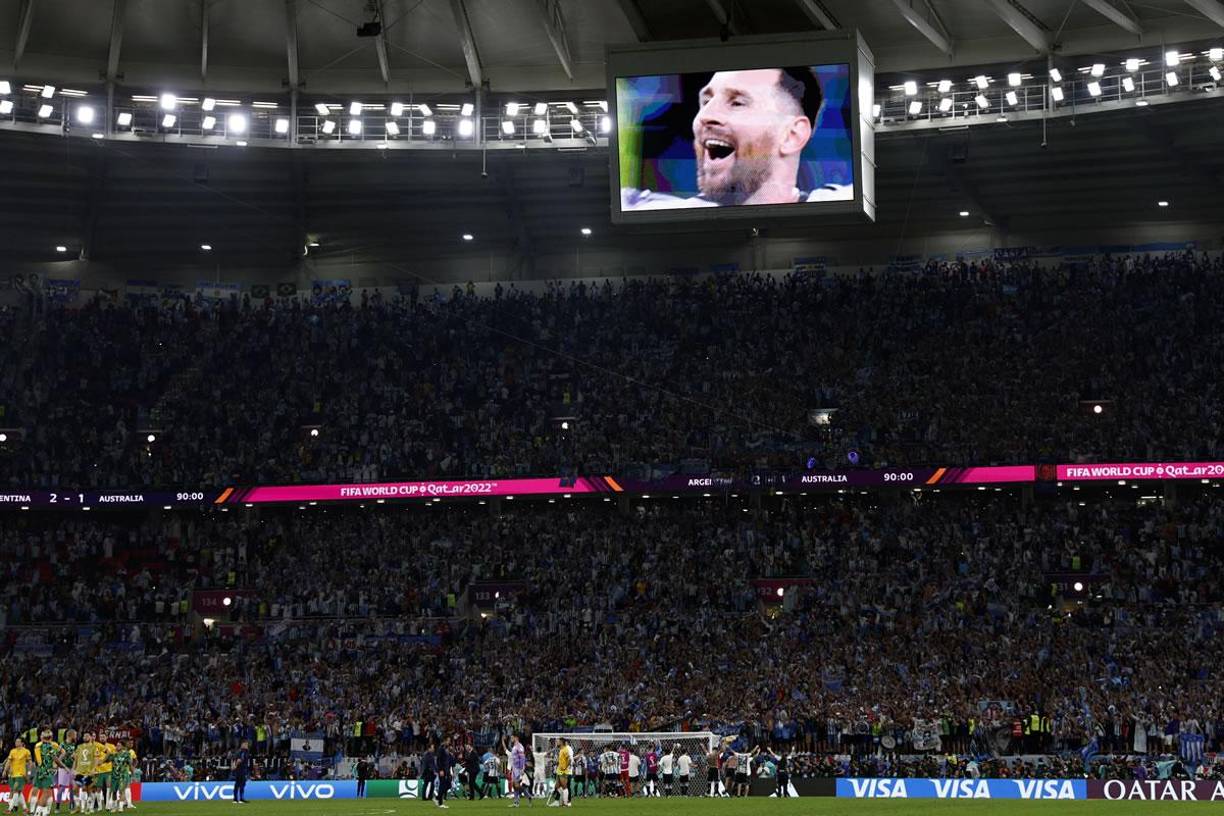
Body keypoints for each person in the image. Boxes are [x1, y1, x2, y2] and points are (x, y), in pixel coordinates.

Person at [622, 68, 851, 210]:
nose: (704, 116)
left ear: (792, 135)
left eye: (737, 103)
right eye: (705, 102)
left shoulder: (839, 204)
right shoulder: (647, 211)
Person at [32, 731, 65, 816]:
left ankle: (43, 812)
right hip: (47, 771)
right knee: (47, 792)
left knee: (46, 791)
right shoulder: (52, 745)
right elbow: (61, 754)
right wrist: (58, 765)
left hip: (41, 771)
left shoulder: (38, 745)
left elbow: (37, 760)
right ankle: (40, 812)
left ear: (42, 737)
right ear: (51, 737)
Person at [4, 737, 31, 814]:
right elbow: (9, 761)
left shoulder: (26, 751)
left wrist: (29, 773)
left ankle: (9, 809)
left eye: (18, 741)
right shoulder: (12, 751)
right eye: (16, 741)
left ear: (22, 743)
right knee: (18, 792)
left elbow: (30, 763)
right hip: (13, 775)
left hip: (21, 774)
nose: (16, 743)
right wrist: (5, 770)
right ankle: (25, 808)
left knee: (15, 790)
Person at [106, 739, 134, 812]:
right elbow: (107, 760)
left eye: (119, 745)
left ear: (123, 747)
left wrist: (133, 773)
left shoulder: (127, 754)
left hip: (123, 775)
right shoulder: (114, 755)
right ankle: (114, 807)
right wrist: (108, 754)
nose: (117, 747)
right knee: (114, 792)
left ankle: (120, 807)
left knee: (122, 790)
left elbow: (130, 764)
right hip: (114, 775)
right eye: (117, 745)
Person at [53, 731, 75, 815]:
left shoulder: (73, 745)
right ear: (70, 735)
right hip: (63, 768)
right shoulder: (62, 745)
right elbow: (56, 757)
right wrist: (62, 765)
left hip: (71, 768)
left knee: (72, 787)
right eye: (75, 735)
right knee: (62, 787)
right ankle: (57, 807)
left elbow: (75, 757)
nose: (76, 736)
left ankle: (72, 805)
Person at [547, 738, 571, 808]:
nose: (557, 743)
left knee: (564, 786)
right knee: (557, 786)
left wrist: (565, 767)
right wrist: (556, 762)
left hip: (563, 771)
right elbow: (561, 761)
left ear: (561, 742)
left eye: (558, 741)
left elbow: (569, 759)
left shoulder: (565, 750)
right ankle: (563, 799)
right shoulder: (561, 750)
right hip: (559, 770)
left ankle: (565, 803)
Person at [507, 734, 528, 808]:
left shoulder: (520, 746)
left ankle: (528, 796)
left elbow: (522, 758)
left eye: (512, 737)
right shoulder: (514, 747)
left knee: (516, 785)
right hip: (514, 768)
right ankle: (516, 802)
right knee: (515, 786)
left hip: (518, 769)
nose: (511, 739)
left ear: (516, 738)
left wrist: (522, 769)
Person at [434, 739, 454, 809]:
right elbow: (438, 760)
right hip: (442, 770)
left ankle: (437, 798)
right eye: (448, 740)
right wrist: (441, 770)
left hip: (446, 770)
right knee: (442, 785)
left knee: (448, 785)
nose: (449, 742)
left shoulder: (445, 749)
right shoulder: (441, 749)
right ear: (444, 740)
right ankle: (440, 803)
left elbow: (448, 761)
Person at [231, 739, 251, 804]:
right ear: (242, 744)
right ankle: (239, 799)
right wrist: (235, 766)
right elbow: (239, 760)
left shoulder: (239, 751)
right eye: (246, 744)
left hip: (240, 770)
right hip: (241, 770)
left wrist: (234, 765)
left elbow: (234, 759)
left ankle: (236, 799)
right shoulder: (242, 752)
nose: (247, 746)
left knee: (238, 784)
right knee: (240, 784)